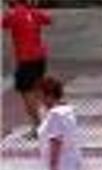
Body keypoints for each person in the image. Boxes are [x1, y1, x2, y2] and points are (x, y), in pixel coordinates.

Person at [2, 0, 52, 139]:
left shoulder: (13, 15)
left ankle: (38, 127)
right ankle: (48, 124)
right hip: (39, 58)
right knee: (37, 92)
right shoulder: (34, 12)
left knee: (27, 96)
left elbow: (3, 24)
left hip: (25, 60)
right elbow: (48, 20)